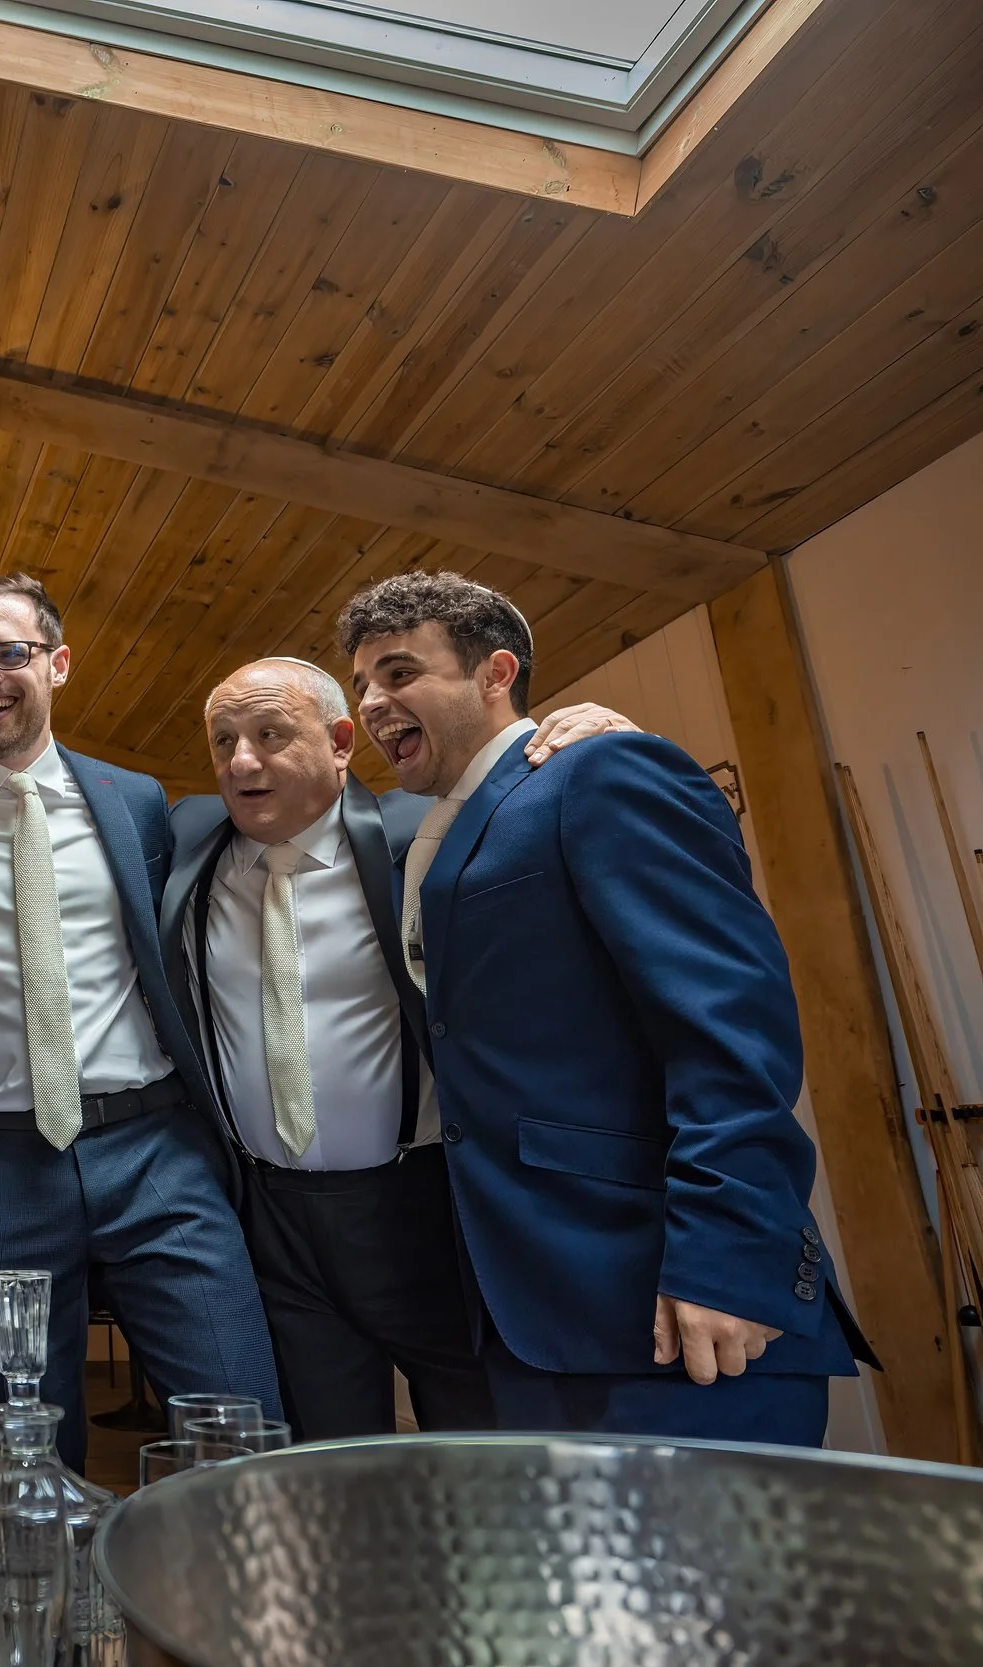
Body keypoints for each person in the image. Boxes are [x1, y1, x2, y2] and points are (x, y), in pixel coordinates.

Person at [338, 571, 872, 1444]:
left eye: (398, 672)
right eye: (363, 684)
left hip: (665, 1296)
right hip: (526, 1316)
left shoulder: (601, 772)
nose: (373, 701)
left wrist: (727, 1259)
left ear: (494, 672)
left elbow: (728, 1027)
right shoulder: (423, 836)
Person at [0, 571, 278, 1474]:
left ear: (57, 664)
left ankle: (230, 1616)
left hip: (156, 1150)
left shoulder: (135, 801)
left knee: (236, 1426)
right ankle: (48, 1622)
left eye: (9, 652)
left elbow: (286, 808)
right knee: (25, 1463)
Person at [163, 658, 635, 1439]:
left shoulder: (431, 837)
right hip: (272, 1223)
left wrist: (599, 738)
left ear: (343, 740)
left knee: (480, 1447)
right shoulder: (185, 843)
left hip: (420, 1208)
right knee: (331, 1460)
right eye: (223, 740)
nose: (241, 760)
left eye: (270, 733)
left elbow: (550, 805)